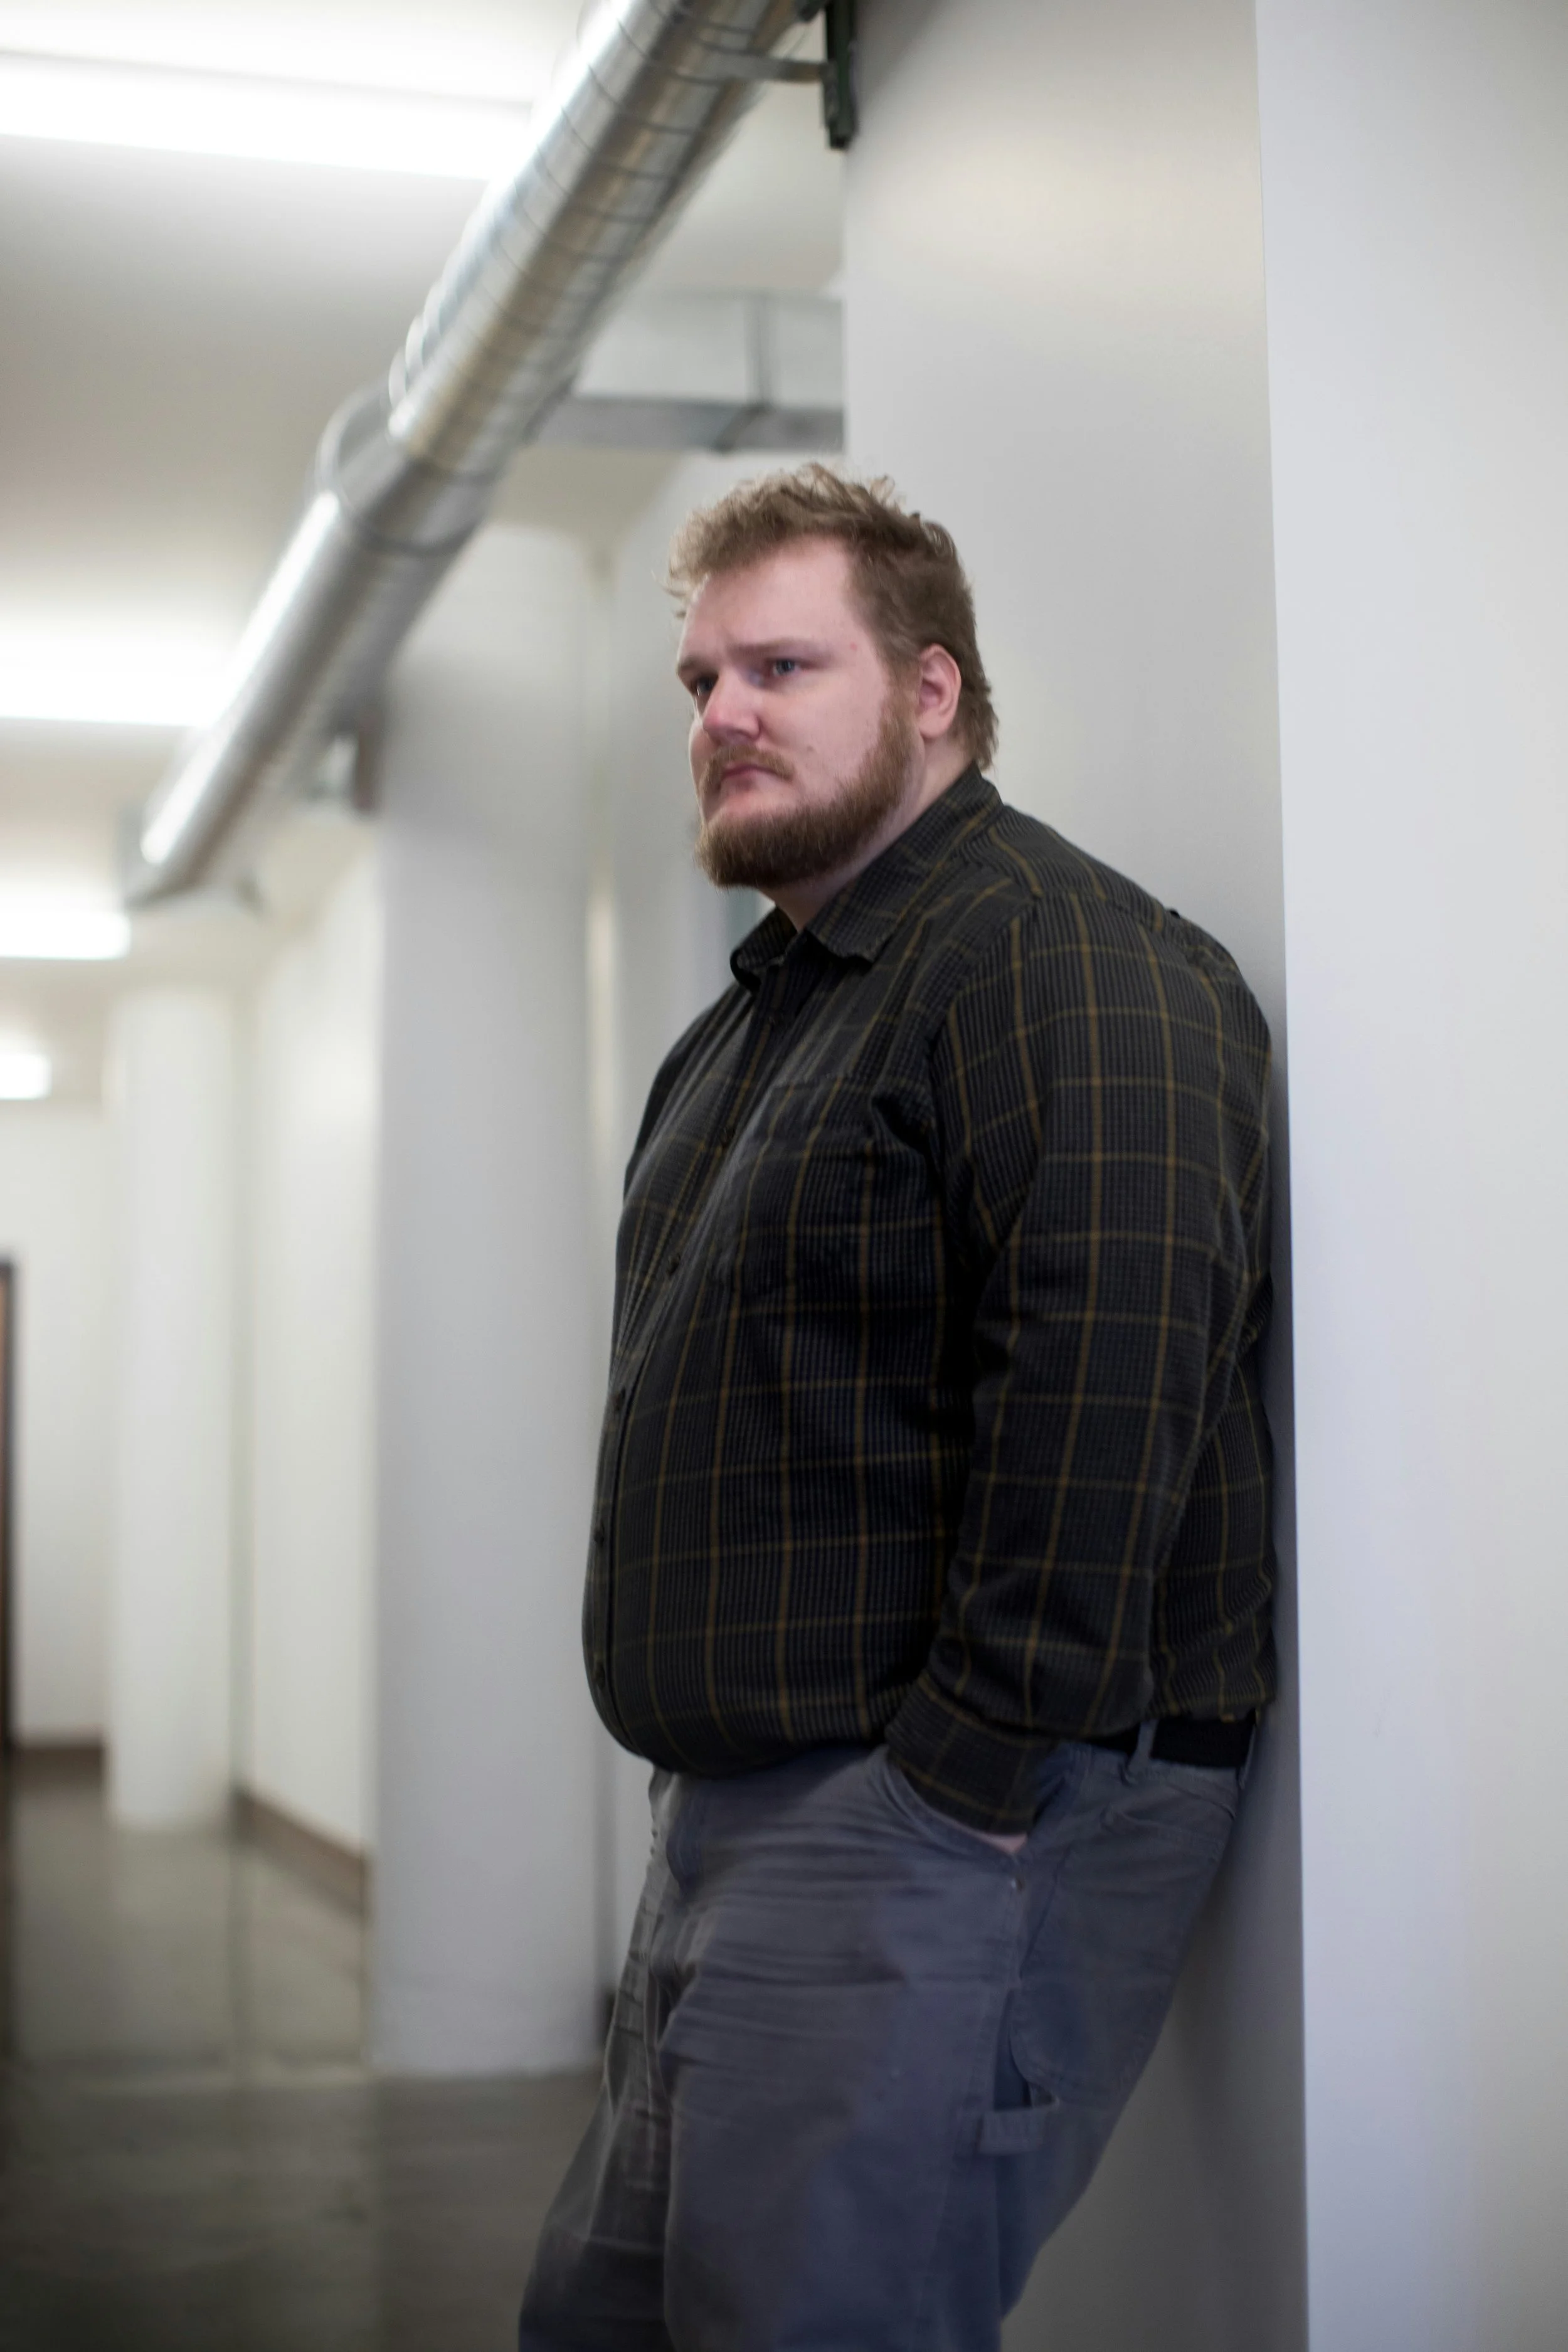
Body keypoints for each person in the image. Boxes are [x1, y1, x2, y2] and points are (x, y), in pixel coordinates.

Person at [519, 466, 1274, 2352]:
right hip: (738, 1820)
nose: (722, 716)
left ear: (932, 690)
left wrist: (955, 1784)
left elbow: (1111, 1385)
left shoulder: (1059, 958)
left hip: (926, 1820)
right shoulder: (762, 1018)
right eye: (697, 683)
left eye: (779, 663)